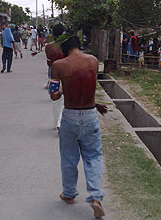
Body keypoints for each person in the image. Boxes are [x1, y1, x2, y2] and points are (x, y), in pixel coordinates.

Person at [50, 36, 106, 218]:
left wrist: (62, 89)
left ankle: (69, 193)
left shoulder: (58, 66)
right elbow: (88, 87)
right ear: (79, 47)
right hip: (90, 113)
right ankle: (96, 197)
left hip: (70, 115)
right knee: (94, 156)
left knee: (69, 157)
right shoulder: (93, 61)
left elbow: (54, 96)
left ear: (65, 51)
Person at [45, 24, 65, 132]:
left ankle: (56, 121)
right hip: (65, 74)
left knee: (55, 99)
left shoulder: (48, 46)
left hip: (53, 75)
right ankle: (60, 123)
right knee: (64, 99)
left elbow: (48, 63)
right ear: (63, 33)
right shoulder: (65, 45)